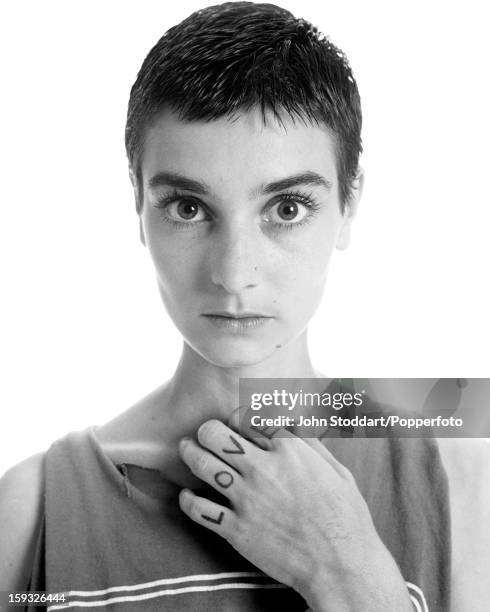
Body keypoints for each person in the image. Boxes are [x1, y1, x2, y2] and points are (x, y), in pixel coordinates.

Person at [0, 2, 457, 611]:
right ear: (139, 204)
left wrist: (344, 567)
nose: (234, 273)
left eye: (287, 208)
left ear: (349, 205)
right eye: (189, 208)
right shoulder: (35, 506)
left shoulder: (454, 467)